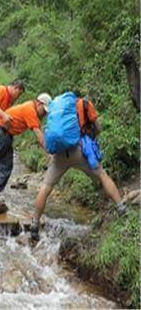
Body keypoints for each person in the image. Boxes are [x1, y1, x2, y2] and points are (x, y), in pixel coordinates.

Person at [30, 95, 127, 240]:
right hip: (78, 150)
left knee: (45, 187)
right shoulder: (84, 104)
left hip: (59, 155)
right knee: (102, 174)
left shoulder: (58, 109)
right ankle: (121, 208)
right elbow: (98, 127)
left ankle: (34, 224)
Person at [0, 93, 52, 203]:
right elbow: (38, 135)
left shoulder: (30, 108)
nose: (44, 114)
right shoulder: (30, 110)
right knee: (6, 166)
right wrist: (49, 153)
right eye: (44, 110)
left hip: (0, 133)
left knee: (0, 165)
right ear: (38, 103)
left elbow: (41, 132)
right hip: (1, 134)